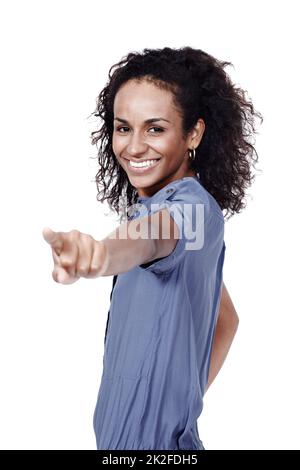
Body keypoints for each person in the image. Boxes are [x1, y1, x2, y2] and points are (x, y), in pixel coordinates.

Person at [42, 46, 263, 450]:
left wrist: (101, 255)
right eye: (123, 127)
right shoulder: (155, 207)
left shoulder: (190, 210)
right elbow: (225, 319)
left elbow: (151, 237)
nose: (134, 147)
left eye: (155, 128)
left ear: (193, 133)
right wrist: (179, 403)